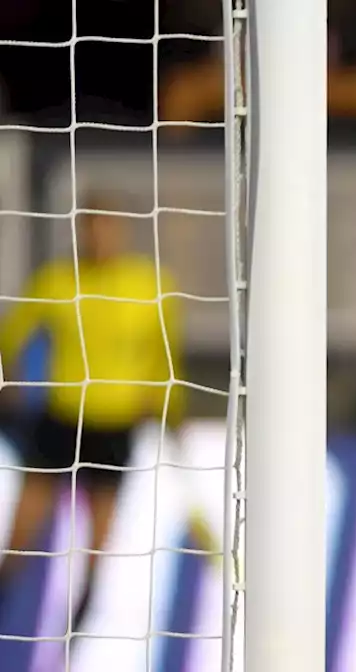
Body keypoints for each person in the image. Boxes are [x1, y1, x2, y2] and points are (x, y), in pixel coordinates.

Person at [0, 194, 185, 636]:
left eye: (108, 227)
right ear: (81, 230)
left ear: (122, 230)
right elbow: (12, 334)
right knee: (25, 524)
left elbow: (164, 354)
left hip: (116, 421)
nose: (100, 237)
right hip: (63, 415)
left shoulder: (150, 283)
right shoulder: (57, 280)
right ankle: (6, 592)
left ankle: (81, 623)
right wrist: (13, 383)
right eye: (92, 227)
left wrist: (169, 409)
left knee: (100, 532)